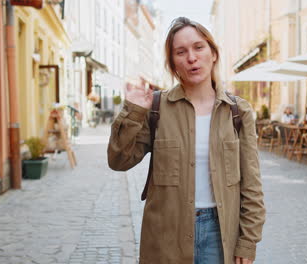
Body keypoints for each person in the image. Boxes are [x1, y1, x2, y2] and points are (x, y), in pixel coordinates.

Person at [107, 17, 265, 264]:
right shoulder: (156, 109)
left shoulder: (238, 112)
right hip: (166, 234)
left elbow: (252, 185)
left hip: (219, 234)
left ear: (213, 54)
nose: (191, 57)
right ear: (173, 64)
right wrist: (133, 111)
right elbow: (118, 160)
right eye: (181, 52)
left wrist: (248, 241)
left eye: (199, 47)